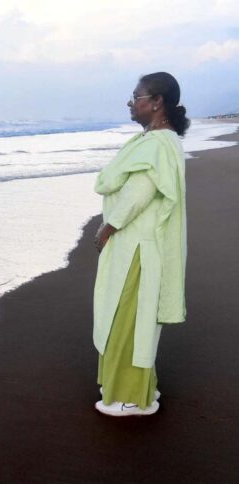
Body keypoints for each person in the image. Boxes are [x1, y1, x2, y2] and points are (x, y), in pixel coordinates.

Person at [92, 72, 189, 416]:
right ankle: (136, 387)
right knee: (132, 316)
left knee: (129, 318)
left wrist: (108, 226)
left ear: (157, 102)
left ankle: (132, 397)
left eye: (136, 96)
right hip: (137, 242)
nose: (131, 103)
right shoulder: (162, 141)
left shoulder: (157, 144)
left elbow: (140, 192)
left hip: (139, 247)